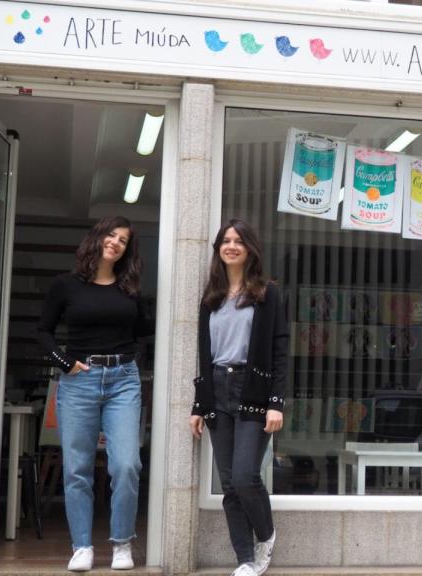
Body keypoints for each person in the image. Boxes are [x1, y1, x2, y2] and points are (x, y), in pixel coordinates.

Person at [37, 215, 152, 571]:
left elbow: (144, 330)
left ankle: (122, 543)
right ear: (98, 237)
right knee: (77, 469)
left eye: (123, 240)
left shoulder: (129, 289)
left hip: (123, 379)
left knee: (127, 465)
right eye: (111, 235)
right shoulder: (66, 285)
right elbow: (43, 332)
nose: (115, 242)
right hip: (79, 381)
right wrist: (64, 363)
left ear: (127, 250)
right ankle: (82, 546)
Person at [190, 218, 288, 576]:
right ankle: (245, 559)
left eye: (239, 241)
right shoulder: (211, 297)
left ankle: (266, 535)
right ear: (219, 248)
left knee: (246, 477)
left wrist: (276, 402)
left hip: (252, 389)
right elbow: (205, 353)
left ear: (250, 249)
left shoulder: (266, 293)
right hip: (217, 389)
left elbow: (280, 350)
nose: (231, 246)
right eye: (226, 241)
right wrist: (199, 404)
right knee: (230, 483)